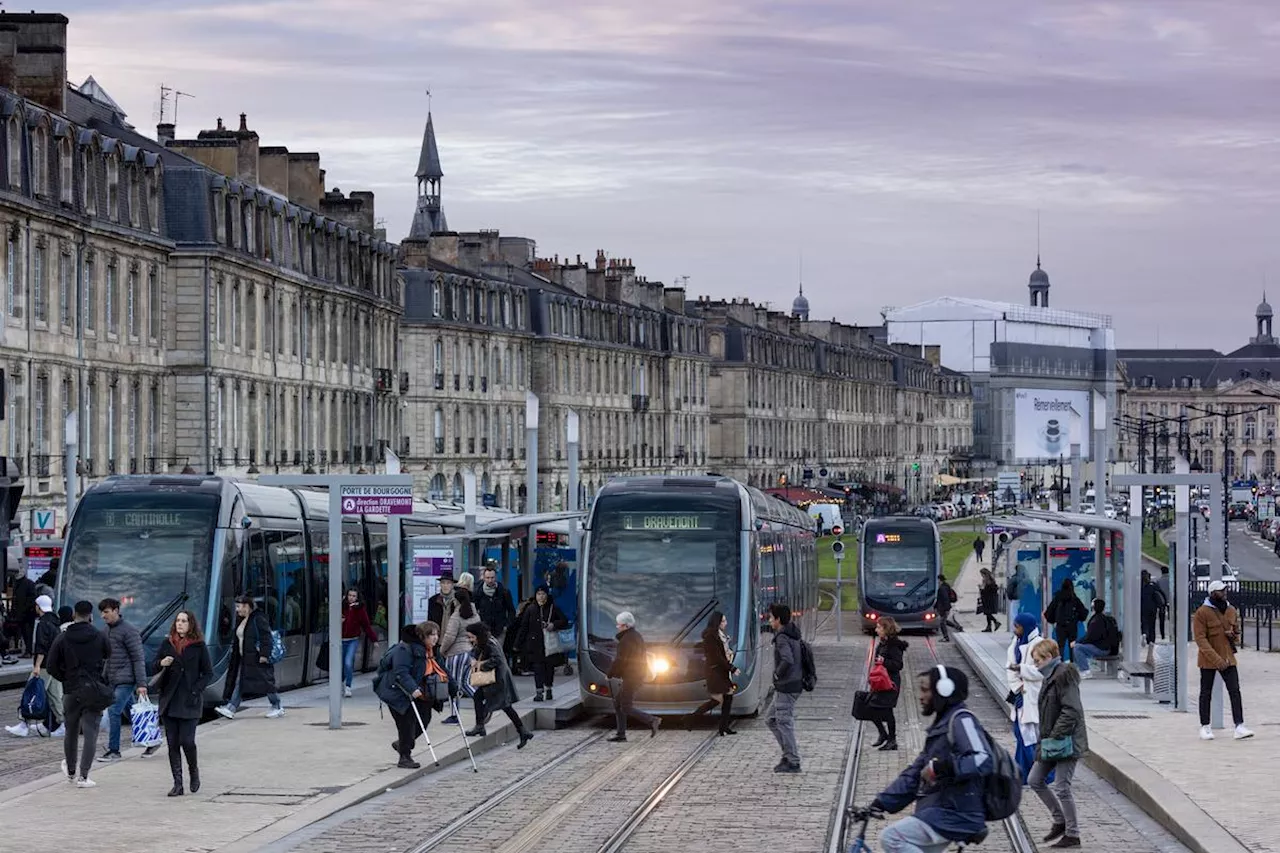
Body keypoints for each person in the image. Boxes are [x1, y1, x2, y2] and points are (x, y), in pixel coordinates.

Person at [864, 665, 992, 852]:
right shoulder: (941, 728)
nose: (920, 697)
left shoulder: (961, 720)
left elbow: (982, 758)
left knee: (892, 838)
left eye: (925, 690)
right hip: (942, 810)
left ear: (944, 690)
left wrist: (944, 767)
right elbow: (915, 774)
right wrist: (881, 803)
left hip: (957, 813)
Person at [44, 600, 112, 788]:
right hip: (93, 689)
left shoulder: (63, 638)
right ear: (91, 615)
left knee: (71, 732)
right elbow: (108, 656)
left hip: (71, 690)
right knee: (91, 732)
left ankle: (71, 773)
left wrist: (65, 678)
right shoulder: (99, 636)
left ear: (74, 615)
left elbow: (51, 666)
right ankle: (84, 776)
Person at [1028, 638, 1088, 848]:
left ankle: (1073, 834)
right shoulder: (1050, 676)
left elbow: (1072, 710)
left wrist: (1055, 735)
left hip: (1066, 742)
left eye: (1038, 661)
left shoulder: (1064, 676)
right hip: (1050, 741)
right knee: (1035, 779)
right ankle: (1060, 820)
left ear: (1049, 658)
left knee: (1062, 786)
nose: (1036, 666)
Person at [154, 610, 214, 796]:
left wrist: (196, 690)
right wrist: (161, 662)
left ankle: (193, 772)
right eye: (178, 620)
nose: (180, 624)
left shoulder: (198, 646)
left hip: (189, 700)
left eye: (184, 621)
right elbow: (153, 665)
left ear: (191, 624)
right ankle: (177, 784)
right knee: (172, 744)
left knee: (187, 741)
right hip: (169, 700)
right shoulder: (167, 643)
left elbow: (208, 673)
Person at [1193, 580, 1253, 741]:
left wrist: (1233, 635)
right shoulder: (1202, 613)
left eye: (1224, 590)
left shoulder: (1231, 610)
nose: (1224, 593)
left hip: (1228, 657)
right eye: (1220, 591)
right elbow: (1200, 639)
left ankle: (1239, 725)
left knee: (1235, 691)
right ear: (1212, 593)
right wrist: (1217, 660)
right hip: (1208, 660)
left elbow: (1237, 632)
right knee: (1206, 692)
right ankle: (1205, 726)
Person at [463, 622, 533, 748]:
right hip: (494, 679)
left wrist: (480, 665)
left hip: (497, 679)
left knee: (505, 706)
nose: (470, 640)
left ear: (478, 635)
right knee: (480, 698)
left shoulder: (490, 643)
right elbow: (475, 652)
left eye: (471, 637)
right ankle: (481, 726)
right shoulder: (484, 642)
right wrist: (473, 658)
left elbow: (497, 660)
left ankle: (522, 731)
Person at [215, 595, 284, 720]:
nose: (236, 609)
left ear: (247, 606)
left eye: (238, 606)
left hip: (258, 658)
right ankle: (231, 708)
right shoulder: (242, 620)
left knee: (267, 683)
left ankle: (277, 706)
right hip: (246, 658)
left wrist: (264, 654)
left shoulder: (258, 618)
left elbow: (266, 637)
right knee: (241, 683)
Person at [375, 622, 431, 769]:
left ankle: (402, 744)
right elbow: (401, 672)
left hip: (414, 691)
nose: (436, 638)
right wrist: (413, 689)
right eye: (432, 635)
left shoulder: (428, 650)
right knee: (406, 724)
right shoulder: (403, 650)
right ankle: (404, 756)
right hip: (396, 692)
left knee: (424, 718)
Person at [99, 598, 149, 760]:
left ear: (116, 610)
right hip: (114, 679)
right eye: (102, 612)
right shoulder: (106, 631)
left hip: (126, 680)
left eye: (106, 612)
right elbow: (106, 658)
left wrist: (141, 684)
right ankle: (152, 740)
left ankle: (114, 750)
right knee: (132, 712)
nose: (103, 615)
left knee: (114, 711)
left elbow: (138, 658)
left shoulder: (129, 631)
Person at [6, 594, 63, 738]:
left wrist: (37, 665)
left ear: (38, 607)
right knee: (55, 695)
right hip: (54, 665)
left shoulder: (43, 624)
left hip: (44, 665)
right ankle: (64, 724)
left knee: (31, 692)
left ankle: (24, 723)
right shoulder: (56, 623)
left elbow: (41, 647)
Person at [606, 610, 660, 742]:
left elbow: (620, 660)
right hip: (637, 675)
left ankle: (652, 720)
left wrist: (610, 674)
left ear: (626, 626)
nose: (617, 627)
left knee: (625, 706)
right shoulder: (636, 636)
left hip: (632, 677)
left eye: (619, 625)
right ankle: (621, 734)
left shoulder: (626, 640)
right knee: (618, 703)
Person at [1007, 612, 1047, 785]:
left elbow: (1042, 670)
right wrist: (1017, 685)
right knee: (1021, 733)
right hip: (1020, 696)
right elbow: (1009, 669)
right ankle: (1022, 772)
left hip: (1033, 696)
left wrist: (1021, 670)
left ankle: (1039, 774)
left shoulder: (1039, 645)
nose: (1015, 629)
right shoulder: (1014, 644)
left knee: (1030, 736)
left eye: (1018, 626)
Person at [512, 585, 568, 702]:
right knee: (537, 668)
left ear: (547, 595)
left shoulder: (553, 608)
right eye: (538, 594)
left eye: (543, 594)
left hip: (549, 644)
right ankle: (539, 691)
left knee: (549, 668)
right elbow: (524, 627)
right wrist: (517, 644)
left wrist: (553, 625)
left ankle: (548, 688)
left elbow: (564, 621)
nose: (541, 597)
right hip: (535, 644)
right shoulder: (531, 609)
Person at [687, 609, 740, 734]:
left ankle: (724, 727)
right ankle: (690, 718)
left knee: (728, 696)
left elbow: (722, 654)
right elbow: (717, 657)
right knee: (718, 699)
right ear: (717, 622)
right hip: (715, 672)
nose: (725, 623)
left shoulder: (719, 635)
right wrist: (732, 668)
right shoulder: (710, 636)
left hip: (720, 671)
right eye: (723, 621)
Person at [766, 602, 803, 772]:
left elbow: (787, 659)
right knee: (771, 719)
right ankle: (788, 754)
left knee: (783, 722)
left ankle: (792, 760)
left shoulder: (782, 637)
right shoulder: (792, 633)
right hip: (792, 684)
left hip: (787, 685)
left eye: (772, 618)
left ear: (778, 619)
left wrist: (777, 674)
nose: (770, 621)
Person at [866, 616, 908, 752]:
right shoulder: (882, 643)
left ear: (885, 629)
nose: (876, 630)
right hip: (880, 681)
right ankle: (884, 735)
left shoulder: (894, 645)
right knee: (870, 707)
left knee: (887, 711)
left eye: (879, 627)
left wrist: (884, 662)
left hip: (890, 683)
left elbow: (898, 665)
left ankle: (891, 740)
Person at [439, 588, 480, 724]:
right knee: (466, 683)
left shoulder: (456, 616)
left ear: (456, 601)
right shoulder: (475, 614)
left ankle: (454, 715)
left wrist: (442, 651)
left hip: (455, 653)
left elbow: (449, 637)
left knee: (454, 685)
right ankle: (482, 703)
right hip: (469, 653)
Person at [340, 588, 378, 699]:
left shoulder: (360, 609)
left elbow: (366, 625)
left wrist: (374, 639)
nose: (351, 598)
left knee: (348, 662)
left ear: (357, 597)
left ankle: (348, 686)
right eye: (349, 595)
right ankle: (342, 682)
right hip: (340, 640)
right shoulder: (341, 607)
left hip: (353, 639)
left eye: (353, 596)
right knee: (341, 664)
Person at [1071, 598, 1119, 679]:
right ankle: (1083, 668)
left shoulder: (1096, 621)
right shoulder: (1105, 619)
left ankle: (1085, 670)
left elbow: (1090, 637)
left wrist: (1076, 642)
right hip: (1107, 648)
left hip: (1102, 649)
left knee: (1077, 648)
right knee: (1079, 647)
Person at [1044, 580, 1087, 663]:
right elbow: (1083, 613)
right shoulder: (1074, 598)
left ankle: (1059, 665)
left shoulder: (1058, 597)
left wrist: (1054, 620)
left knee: (1060, 646)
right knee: (1072, 646)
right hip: (1072, 626)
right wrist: (1077, 618)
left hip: (1060, 626)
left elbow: (1049, 612)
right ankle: (1072, 665)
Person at [475, 564, 517, 646]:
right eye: (487, 578)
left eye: (492, 577)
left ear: (496, 577)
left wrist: (506, 626)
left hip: (500, 630)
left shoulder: (504, 592)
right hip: (484, 630)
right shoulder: (478, 592)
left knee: (497, 653)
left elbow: (511, 610)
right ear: (483, 578)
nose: (490, 580)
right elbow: (475, 610)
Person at [1139, 571, 1167, 657]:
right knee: (1152, 624)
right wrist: (1163, 604)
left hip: (1143, 608)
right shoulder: (1153, 585)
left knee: (1144, 622)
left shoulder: (1140, 586)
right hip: (1153, 608)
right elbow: (1161, 594)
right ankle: (1151, 641)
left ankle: (1144, 634)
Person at [935, 574, 956, 642]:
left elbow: (945, 598)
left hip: (944, 608)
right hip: (945, 607)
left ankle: (946, 637)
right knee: (944, 621)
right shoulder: (946, 586)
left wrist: (946, 609)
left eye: (938, 580)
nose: (937, 581)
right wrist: (935, 606)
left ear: (939, 580)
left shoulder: (942, 588)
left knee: (942, 622)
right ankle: (957, 627)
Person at [1154, 566, 1172, 640]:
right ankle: (1171, 633)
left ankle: (1162, 635)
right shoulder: (1171, 580)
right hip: (1170, 601)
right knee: (1172, 618)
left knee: (1162, 619)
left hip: (1161, 602)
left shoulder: (1159, 581)